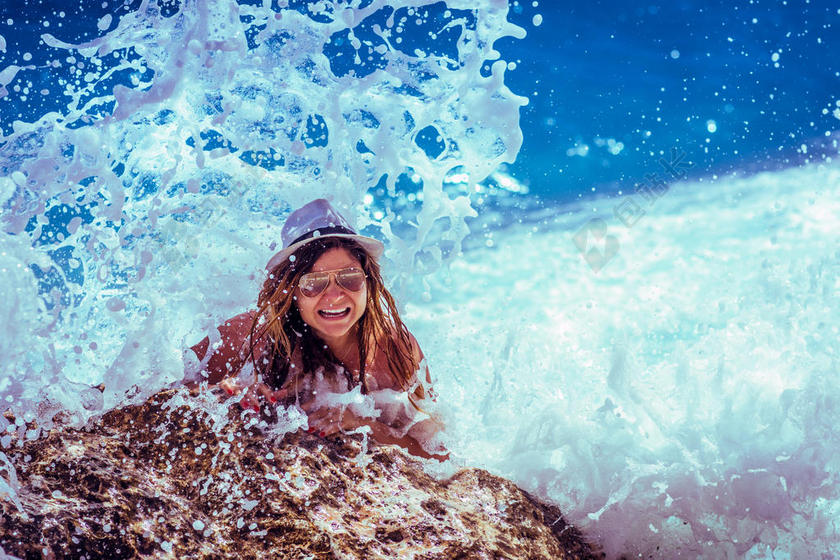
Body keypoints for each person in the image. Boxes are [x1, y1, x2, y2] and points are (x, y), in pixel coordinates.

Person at [184, 199, 447, 461]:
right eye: (314, 283)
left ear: (369, 283)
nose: (334, 296)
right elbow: (164, 395)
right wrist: (224, 395)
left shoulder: (394, 349)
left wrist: (366, 426)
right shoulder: (249, 336)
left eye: (350, 278)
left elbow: (440, 454)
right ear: (290, 291)